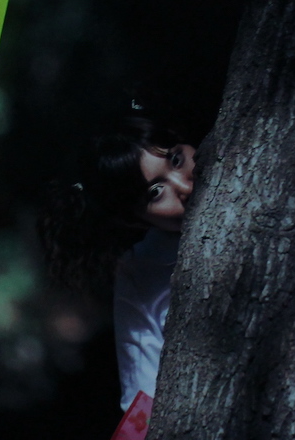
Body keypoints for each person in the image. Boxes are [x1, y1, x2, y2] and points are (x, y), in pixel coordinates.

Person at [38, 113, 196, 411]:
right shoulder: (140, 274)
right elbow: (141, 402)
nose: (185, 187)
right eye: (156, 192)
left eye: (177, 160)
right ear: (134, 219)